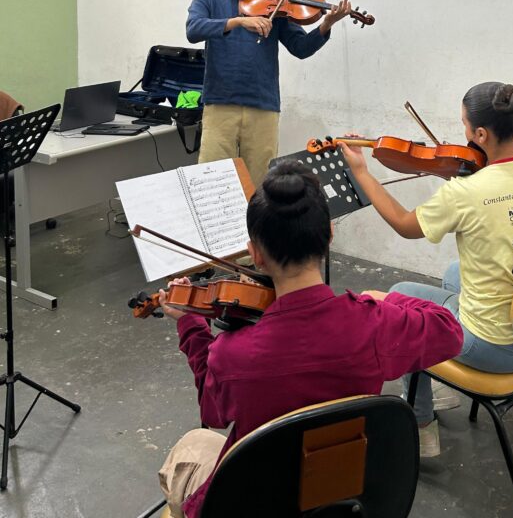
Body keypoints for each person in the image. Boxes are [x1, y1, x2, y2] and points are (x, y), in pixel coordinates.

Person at [158, 160, 464, 518]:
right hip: (344, 494)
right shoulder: (375, 324)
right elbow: (449, 331)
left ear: (255, 253)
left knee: (192, 446)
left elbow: (212, 411)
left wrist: (190, 325)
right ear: (329, 235)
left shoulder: (232, 354)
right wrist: (385, 299)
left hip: (261, 499)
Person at [340, 81, 513, 458]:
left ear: (481, 134)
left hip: (496, 347)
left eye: (465, 126)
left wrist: (363, 173)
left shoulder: (466, 193)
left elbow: (405, 225)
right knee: (456, 273)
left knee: (402, 298)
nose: (463, 133)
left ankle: (421, 424)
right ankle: (428, 384)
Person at [187, 0, 352, 186]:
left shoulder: (275, 4)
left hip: (263, 106)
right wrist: (239, 22)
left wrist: (326, 25)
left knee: (260, 185)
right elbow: (193, 29)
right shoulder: (208, 0)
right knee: (213, 184)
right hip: (220, 106)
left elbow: (301, 48)